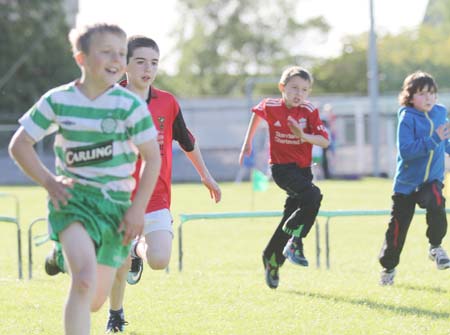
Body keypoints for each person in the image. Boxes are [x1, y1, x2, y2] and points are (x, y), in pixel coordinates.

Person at [8, 23, 161, 334]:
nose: (116, 59)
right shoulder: (59, 99)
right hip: (73, 202)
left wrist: (137, 209)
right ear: (82, 58)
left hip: (116, 208)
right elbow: (20, 144)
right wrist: (50, 182)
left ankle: (60, 257)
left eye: (121, 53)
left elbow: (152, 158)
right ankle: (69, 254)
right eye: (106, 52)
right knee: (84, 281)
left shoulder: (130, 105)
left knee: (94, 299)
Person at [105, 36, 222, 333]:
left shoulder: (167, 102)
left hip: (156, 197)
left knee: (159, 259)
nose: (148, 68)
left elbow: (186, 141)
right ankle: (116, 316)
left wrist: (205, 175)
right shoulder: (109, 100)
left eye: (154, 62)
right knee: (116, 267)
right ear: (125, 65)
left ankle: (136, 253)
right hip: (118, 198)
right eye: (140, 61)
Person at [239, 66, 329, 289]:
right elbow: (257, 114)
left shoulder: (309, 111)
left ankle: (272, 258)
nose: (299, 94)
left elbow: (324, 141)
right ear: (282, 88)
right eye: (294, 88)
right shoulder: (271, 106)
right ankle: (295, 243)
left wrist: (303, 136)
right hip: (281, 169)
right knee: (313, 196)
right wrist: (247, 142)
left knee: (294, 214)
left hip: (303, 170)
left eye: (305, 90)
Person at [379, 71, 450, 286]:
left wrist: (442, 141)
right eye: (421, 93)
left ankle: (436, 247)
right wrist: (434, 139)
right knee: (398, 228)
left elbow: (446, 142)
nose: (428, 98)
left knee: (437, 199)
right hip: (406, 185)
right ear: (409, 97)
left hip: (431, 180)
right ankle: (388, 268)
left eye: (431, 93)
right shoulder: (406, 118)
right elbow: (407, 151)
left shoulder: (440, 113)